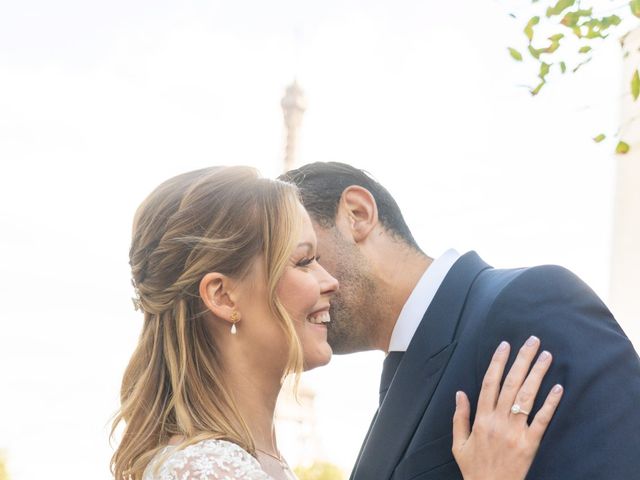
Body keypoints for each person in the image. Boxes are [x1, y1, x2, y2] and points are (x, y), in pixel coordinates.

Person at [112, 166, 561, 480]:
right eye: (305, 261)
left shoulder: (246, 459)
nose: (331, 282)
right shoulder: (209, 471)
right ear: (223, 295)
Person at [280, 161, 640, 480]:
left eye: (305, 257)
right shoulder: (399, 379)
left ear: (357, 214)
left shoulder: (534, 303)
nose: (291, 290)